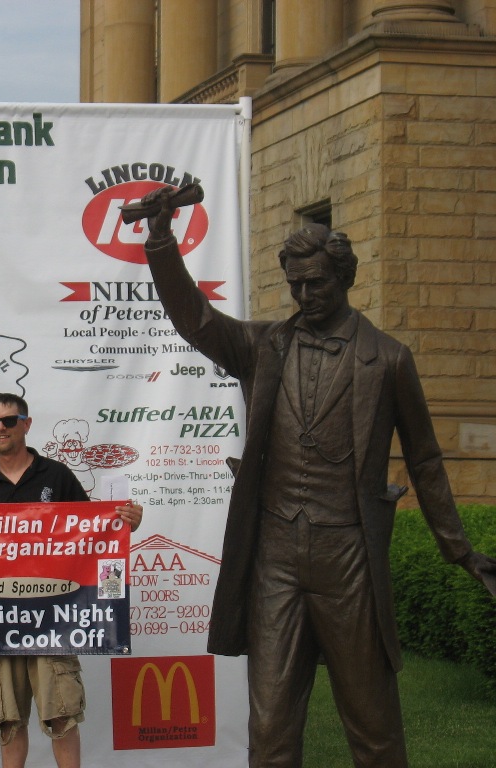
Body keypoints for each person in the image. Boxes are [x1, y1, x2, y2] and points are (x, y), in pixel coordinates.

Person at [140, 188, 496, 767]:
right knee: (271, 730)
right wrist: (161, 241)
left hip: (348, 557)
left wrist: (458, 549)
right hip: (276, 558)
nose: (304, 296)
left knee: (373, 726)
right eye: (296, 285)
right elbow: (196, 319)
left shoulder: (389, 360)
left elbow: (426, 460)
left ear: (344, 278)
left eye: (316, 284)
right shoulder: (263, 346)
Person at [0, 393, 142, 768]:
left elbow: (95, 532)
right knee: (8, 721)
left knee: (62, 717)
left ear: (26, 424)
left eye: (9, 420)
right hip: (0, 622)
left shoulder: (57, 475)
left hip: (55, 620)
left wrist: (126, 523)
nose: (0, 428)